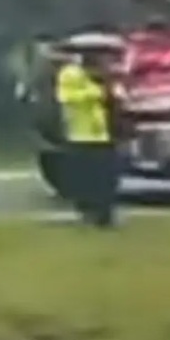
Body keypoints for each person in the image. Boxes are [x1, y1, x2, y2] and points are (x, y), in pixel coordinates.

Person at [55, 50, 121, 227]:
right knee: (85, 179)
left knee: (106, 178)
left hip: (101, 135)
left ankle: (105, 215)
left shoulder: (104, 75)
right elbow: (66, 97)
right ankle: (88, 213)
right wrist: (96, 91)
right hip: (80, 135)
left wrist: (109, 91)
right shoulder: (70, 73)